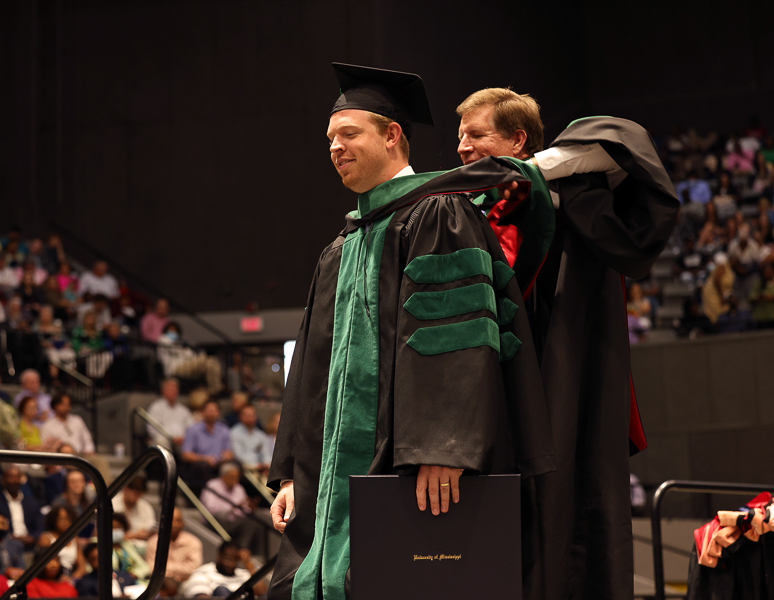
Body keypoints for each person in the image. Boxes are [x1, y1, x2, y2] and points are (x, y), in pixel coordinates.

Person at [268, 64, 554, 600]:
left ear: (392, 136)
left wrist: (441, 446)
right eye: (330, 139)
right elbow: (309, 371)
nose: (335, 147)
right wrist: (289, 473)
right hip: (327, 485)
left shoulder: (439, 214)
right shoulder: (341, 248)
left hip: (413, 467)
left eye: (349, 134)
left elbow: (455, 336)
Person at [454, 87, 679, 600]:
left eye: (477, 135)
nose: (464, 147)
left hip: (564, 385)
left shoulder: (575, 196)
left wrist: (532, 171)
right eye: (460, 137)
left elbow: (624, 143)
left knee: (566, 517)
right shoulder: (465, 212)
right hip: (490, 403)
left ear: (518, 139)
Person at [200, 462, 262, 555]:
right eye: (233, 477)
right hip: (214, 521)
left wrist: (250, 508)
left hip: (234, 520)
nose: (236, 480)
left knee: (253, 519)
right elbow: (211, 509)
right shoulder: (212, 485)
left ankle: (242, 548)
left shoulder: (239, 488)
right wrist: (233, 507)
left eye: (237, 477)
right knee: (222, 516)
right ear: (224, 476)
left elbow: (243, 509)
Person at [180, 541, 267, 598]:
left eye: (235, 560)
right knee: (221, 590)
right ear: (220, 556)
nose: (231, 564)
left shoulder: (243, 574)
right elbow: (201, 597)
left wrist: (247, 563)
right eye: (228, 559)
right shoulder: (204, 572)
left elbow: (262, 592)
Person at [181, 400, 234, 495]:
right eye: (209, 410)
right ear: (203, 412)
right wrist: (205, 459)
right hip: (201, 463)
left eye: (214, 411)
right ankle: (210, 496)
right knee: (203, 467)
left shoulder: (224, 430)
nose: (211, 413)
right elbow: (186, 455)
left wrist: (226, 456)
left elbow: (229, 452)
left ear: (219, 413)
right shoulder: (193, 430)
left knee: (234, 465)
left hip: (219, 463)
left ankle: (231, 496)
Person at [145, 508, 202, 584]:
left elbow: (194, 567)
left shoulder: (193, 542)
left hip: (186, 582)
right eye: (170, 520)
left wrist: (167, 568)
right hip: (160, 583)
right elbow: (151, 568)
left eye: (177, 521)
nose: (174, 524)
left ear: (183, 523)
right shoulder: (153, 542)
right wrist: (177, 572)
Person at [0, 465, 44, 549]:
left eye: (18, 477)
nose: (15, 480)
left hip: (30, 544)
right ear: (3, 481)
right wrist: (12, 538)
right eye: (11, 477)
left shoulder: (31, 501)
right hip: (6, 545)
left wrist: (32, 537)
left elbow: (40, 526)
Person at [111, 476, 156, 555]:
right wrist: (133, 536)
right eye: (135, 493)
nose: (137, 497)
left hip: (142, 547)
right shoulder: (112, 504)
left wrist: (147, 533)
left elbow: (151, 529)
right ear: (126, 489)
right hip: (116, 546)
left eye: (140, 494)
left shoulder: (146, 507)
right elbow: (105, 534)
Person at [37, 505, 86, 579]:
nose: (65, 522)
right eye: (61, 519)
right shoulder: (46, 537)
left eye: (67, 519)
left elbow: (82, 567)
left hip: (71, 577)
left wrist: (73, 579)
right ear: (53, 520)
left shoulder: (75, 538)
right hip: (52, 577)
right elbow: (41, 564)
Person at [146, 378, 194, 448]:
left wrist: (184, 437)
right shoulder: (156, 407)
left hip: (181, 440)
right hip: (164, 439)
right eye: (170, 390)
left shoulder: (184, 410)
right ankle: (168, 459)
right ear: (163, 391)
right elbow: (152, 428)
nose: (173, 392)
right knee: (161, 441)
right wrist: (171, 438)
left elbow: (191, 427)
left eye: (174, 390)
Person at [51, 469, 95, 540]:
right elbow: (55, 527)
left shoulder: (89, 502)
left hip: (87, 539)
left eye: (81, 481)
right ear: (66, 484)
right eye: (73, 482)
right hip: (64, 539)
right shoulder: (59, 502)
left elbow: (94, 524)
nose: (78, 484)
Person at [231, 404, 272, 475]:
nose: (249, 418)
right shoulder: (234, 433)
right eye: (247, 416)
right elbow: (238, 455)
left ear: (256, 417)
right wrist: (256, 465)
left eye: (252, 415)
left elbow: (266, 453)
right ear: (240, 417)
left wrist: (266, 464)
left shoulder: (261, 435)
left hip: (262, 468)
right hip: (244, 468)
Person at [110, 512, 150, 583]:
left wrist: (134, 574)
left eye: (118, 527)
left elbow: (145, 567)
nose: (115, 530)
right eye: (112, 527)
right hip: (112, 583)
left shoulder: (126, 544)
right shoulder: (96, 544)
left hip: (132, 581)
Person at [0, 514, 27, 582]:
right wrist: (6, 571)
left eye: (3, 523)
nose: (1, 527)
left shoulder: (16, 544)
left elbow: (21, 565)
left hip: (14, 580)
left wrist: (18, 571)